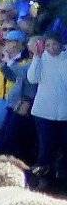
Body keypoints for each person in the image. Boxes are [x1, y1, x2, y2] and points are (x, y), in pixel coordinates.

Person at [28, 35, 67, 185]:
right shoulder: (41, 58)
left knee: (64, 145)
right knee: (46, 145)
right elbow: (32, 78)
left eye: (54, 44)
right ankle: (43, 175)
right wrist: (36, 58)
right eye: (48, 45)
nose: (51, 48)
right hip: (43, 111)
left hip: (63, 112)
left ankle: (61, 173)